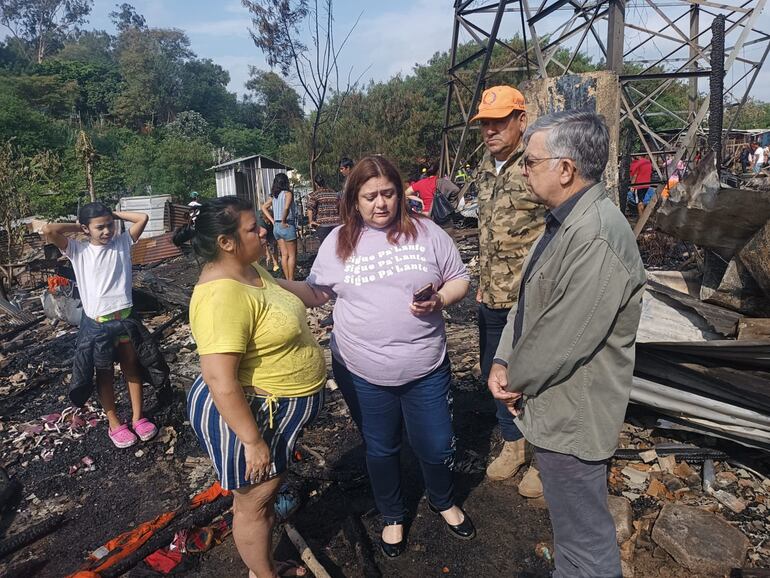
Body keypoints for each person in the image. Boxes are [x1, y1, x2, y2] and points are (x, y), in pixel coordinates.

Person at [277, 156, 475, 558]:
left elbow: (460, 279)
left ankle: (442, 499)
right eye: (370, 196)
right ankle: (392, 515)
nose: (380, 204)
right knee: (380, 447)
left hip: (426, 366)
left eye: (387, 194)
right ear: (355, 199)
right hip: (363, 369)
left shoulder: (427, 232)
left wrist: (439, 298)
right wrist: (270, 282)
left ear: (399, 194)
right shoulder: (338, 241)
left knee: (436, 445)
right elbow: (318, 293)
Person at [489, 111, 646, 577]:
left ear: (565, 168)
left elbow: (564, 337)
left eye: (531, 161)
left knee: (584, 542)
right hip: (553, 402)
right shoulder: (565, 222)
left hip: (574, 413)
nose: (523, 169)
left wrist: (514, 379)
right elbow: (528, 299)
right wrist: (501, 358)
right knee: (571, 532)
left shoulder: (596, 235)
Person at [173, 197, 326, 578]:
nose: (263, 230)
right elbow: (220, 381)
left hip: (275, 407)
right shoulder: (220, 296)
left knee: (266, 493)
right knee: (254, 503)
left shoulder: (249, 267)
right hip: (250, 414)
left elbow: (292, 290)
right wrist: (253, 441)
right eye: (253, 227)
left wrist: (339, 286)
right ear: (226, 242)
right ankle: (263, 574)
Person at [469, 85, 546, 495]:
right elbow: (486, 234)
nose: (490, 130)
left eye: (499, 121)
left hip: (531, 299)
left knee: (536, 379)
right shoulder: (485, 168)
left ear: (521, 119)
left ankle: (542, 456)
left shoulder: (538, 165)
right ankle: (513, 446)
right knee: (495, 374)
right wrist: (482, 283)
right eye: (485, 123)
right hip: (492, 296)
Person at [42, 203, 159, 448]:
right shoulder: (78, 251)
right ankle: (114, 423)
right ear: (86, 230)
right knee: (104, 374)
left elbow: (142, 217)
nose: (107, 231)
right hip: (98, 325)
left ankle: (138, 418)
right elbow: (49, 230)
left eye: (110, 225)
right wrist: (83, 225)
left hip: (125, 319)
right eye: (100, 227)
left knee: (132, 367)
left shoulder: (122, 243)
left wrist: (111, 215)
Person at [261, 173, 297, 281]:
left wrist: (272, 220)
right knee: (292, 255)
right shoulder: (287, 194)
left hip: (276, 227)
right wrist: (283, 220)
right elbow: (286, 208)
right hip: (286, 225)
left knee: (284, 255)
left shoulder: (274, 196)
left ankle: (287, 279)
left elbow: (263, 207)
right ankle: (291, 280)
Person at [306, 174, 341, 244]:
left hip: (323, 225)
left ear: (316, 183)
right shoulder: (334, 193)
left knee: (325, 246)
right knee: (336, 245)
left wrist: (311, 221)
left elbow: (310, 208)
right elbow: (340, 206)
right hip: (336, 223)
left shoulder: (316, 194)